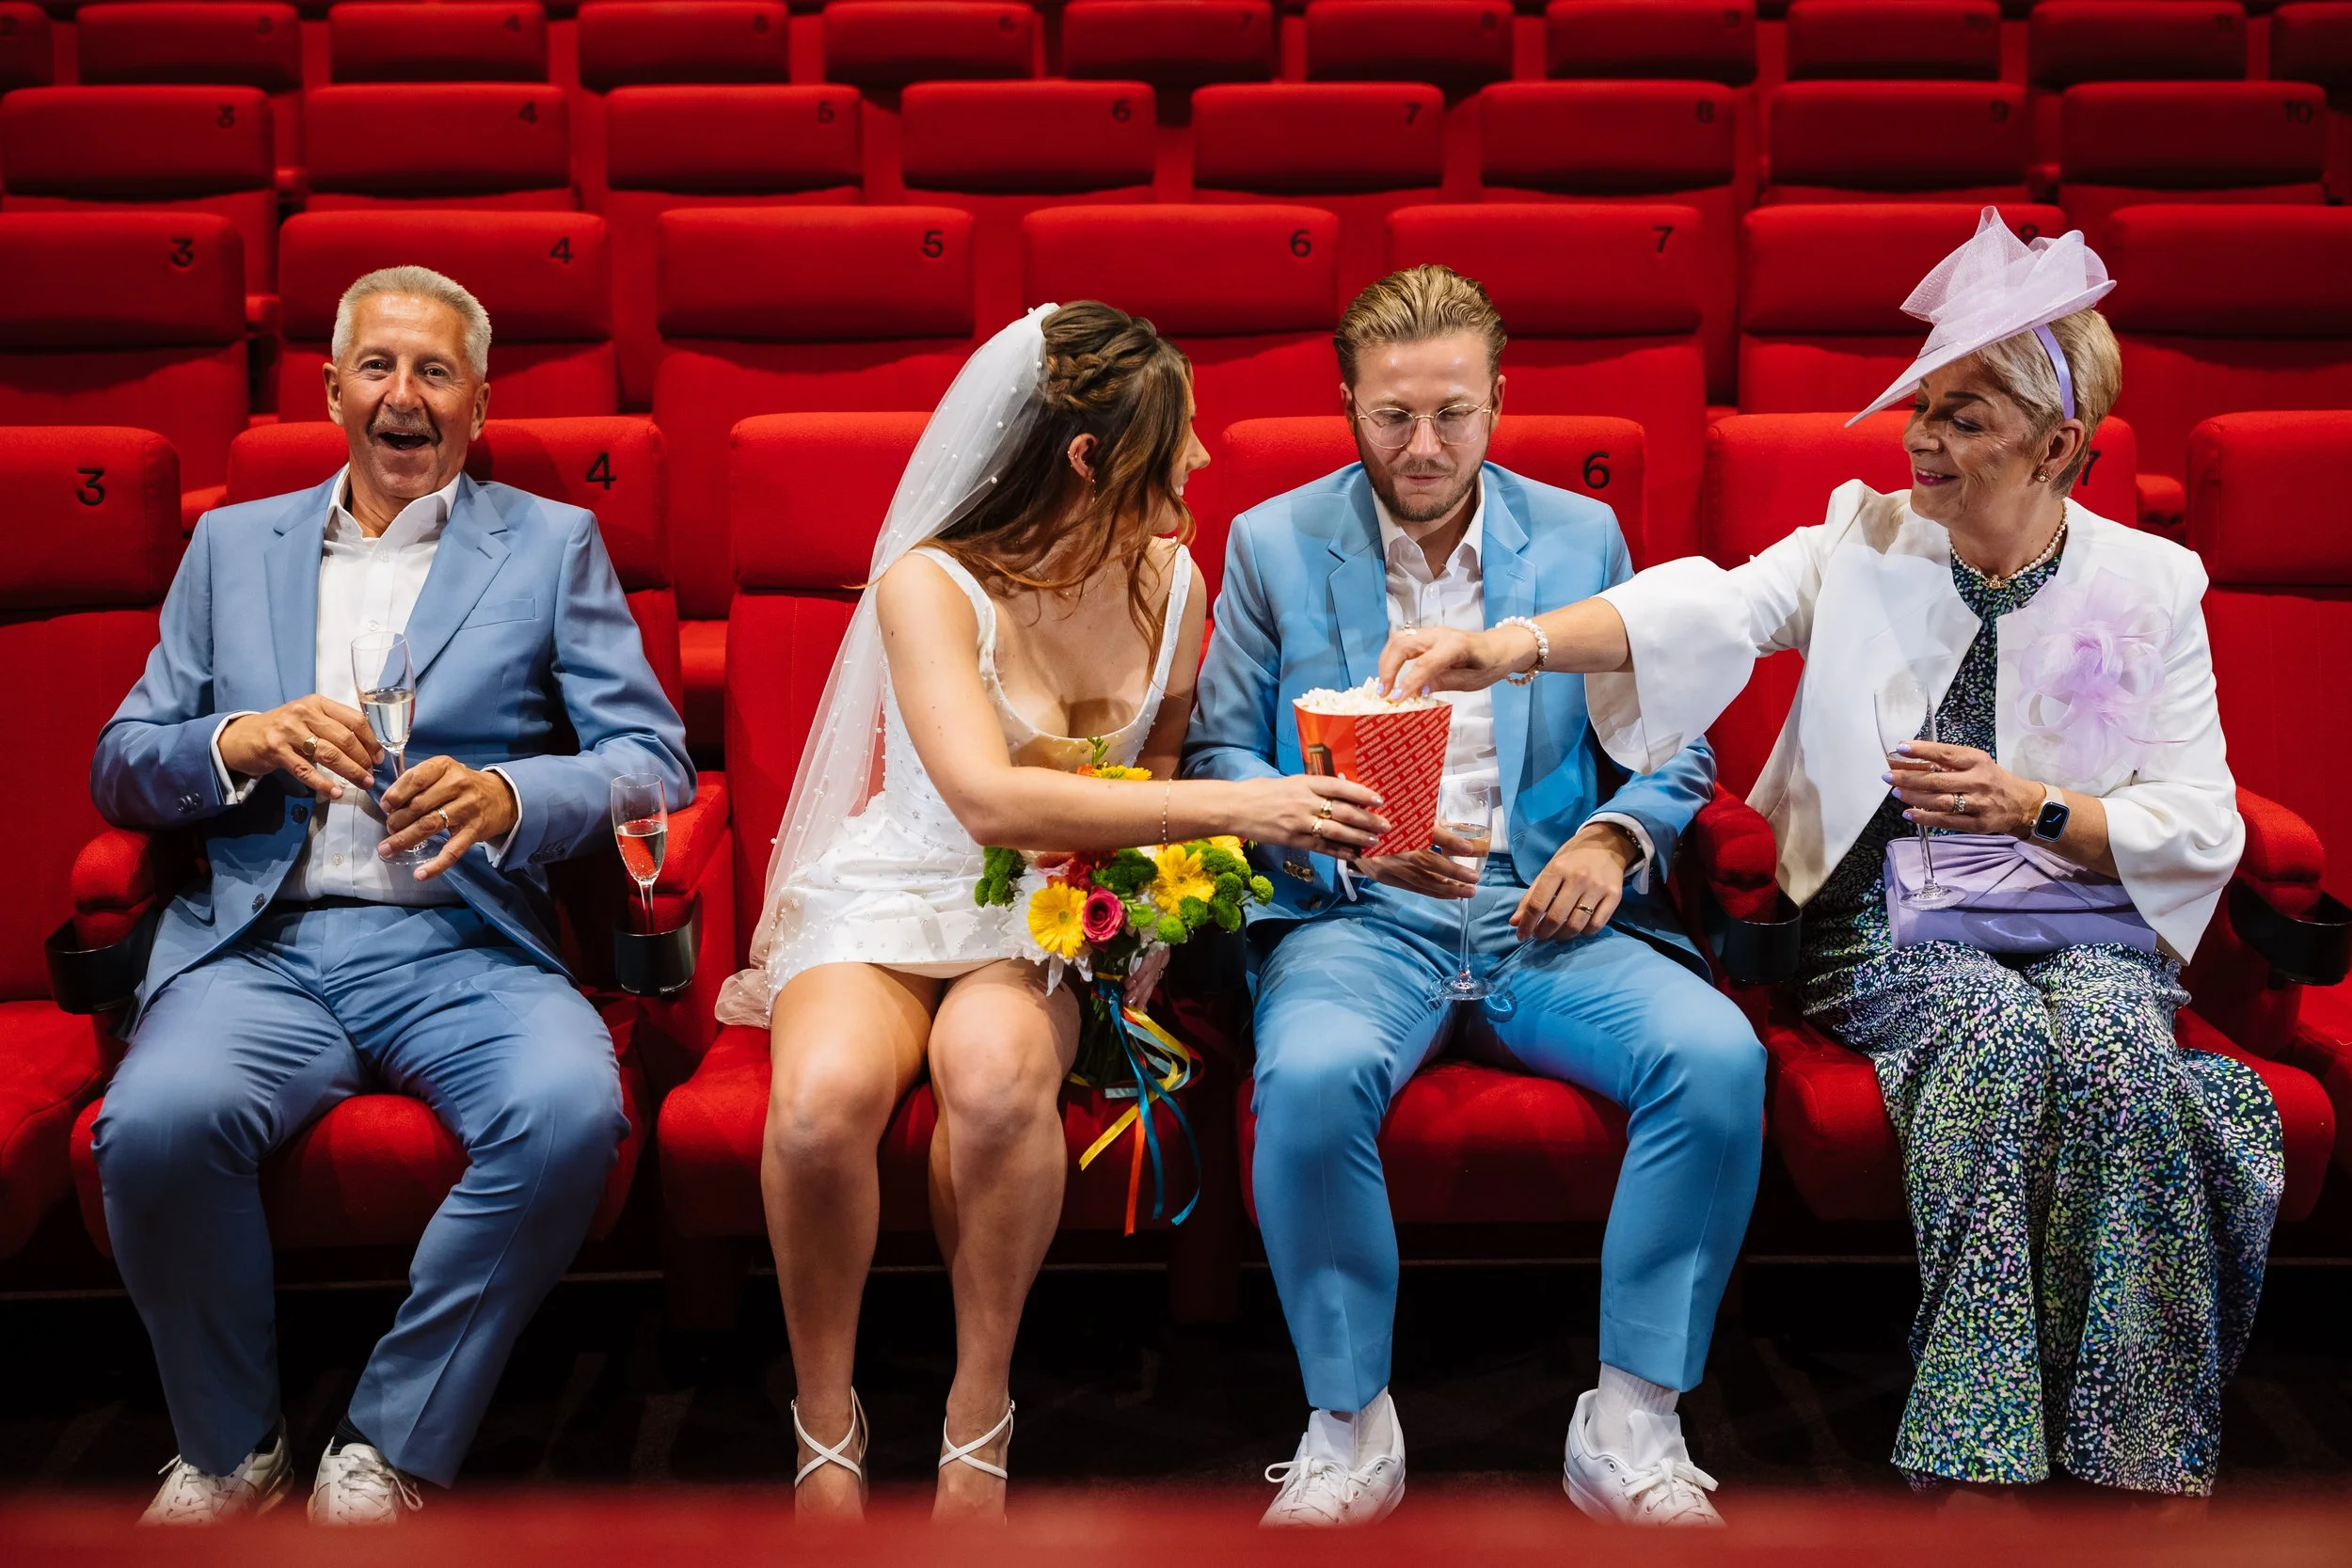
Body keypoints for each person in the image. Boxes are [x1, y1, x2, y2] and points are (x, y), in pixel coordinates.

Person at [1382, 210, 2280, 1501]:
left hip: (2080, 911)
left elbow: (2204, 818)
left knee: (2122, 1050)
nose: (1920, 439)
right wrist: (1511, 645)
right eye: (1925, 405)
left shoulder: (2152, 585)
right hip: (1882, 922)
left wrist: (2035, 805)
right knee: (1992, 1034)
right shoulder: (1866, 536)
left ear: (2059, 447)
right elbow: (1708, 603)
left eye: (1965, 419)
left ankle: (2132, 1448)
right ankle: (1978, 1453)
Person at [715, 301, 1383, 1523]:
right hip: (906, 886)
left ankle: (978, 1409)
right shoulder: (932, 582)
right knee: (817, 1107)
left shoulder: (1177, 581)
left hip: (1055, 909)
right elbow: (981, 798)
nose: (1200, 459)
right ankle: (827, 1417)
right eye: (1175, 436)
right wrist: (1261, 811)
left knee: (991, 1075)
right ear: (1088, 455)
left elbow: (1161, 781)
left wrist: (1157, 908)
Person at [89, 265, 695, 1525]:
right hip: (267, 941)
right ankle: (231, 1446)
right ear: (329, 391)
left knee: (571, 1109)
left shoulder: (549, 542)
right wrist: (239, 740)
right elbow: (119, 761)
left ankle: (392, 1440)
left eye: (435, 373)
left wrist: (515, 798)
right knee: (148, 1126)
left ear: (479, 402)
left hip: (464, 942)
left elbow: (652, 756)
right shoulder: (228, 544)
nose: (402, 397)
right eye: (378, 368)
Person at [1182, 265, 1763, 1528]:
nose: (1426, 444)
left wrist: (1614, 836)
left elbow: (1677, 741)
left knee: (1716, 1055)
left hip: (1542, 906)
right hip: (1355, 910)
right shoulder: (1275, 541)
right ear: (1347, 403)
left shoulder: (1578, 539)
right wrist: (1330, 836)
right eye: (1394, 416)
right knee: (1316, 1072)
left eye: (1455, 412)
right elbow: (1219, 756)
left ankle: (1631, 1415)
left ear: (1500, 402)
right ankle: (1347, 1420)